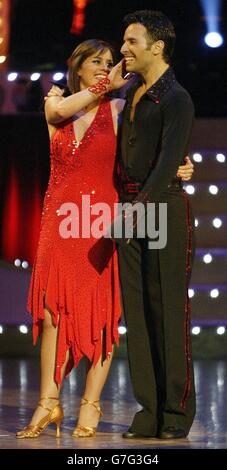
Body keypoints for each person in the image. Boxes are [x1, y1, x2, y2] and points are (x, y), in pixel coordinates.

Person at [16, 38, 193, 439]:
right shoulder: (56, 104)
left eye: (110, 62)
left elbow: (152, 147)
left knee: (100, 314)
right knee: (50, 314)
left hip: (97, 221)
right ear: (77, 66)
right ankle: (48, 401)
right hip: (58, 221)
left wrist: (183, 163)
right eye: (96, 61)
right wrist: (102, 86)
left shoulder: (119, 111)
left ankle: (90, 403)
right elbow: (60, 110)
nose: (105, 67)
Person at [111, 10, 196, 440]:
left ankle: (175, 413)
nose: (123, 50)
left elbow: (166, 166)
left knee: (167, 314)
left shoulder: (176, 98)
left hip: (161, 211)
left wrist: (134, 214)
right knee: (138, 317)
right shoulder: (130, 93)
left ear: (156, 46)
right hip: (130, 212)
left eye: (131, 42)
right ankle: (148, 409)